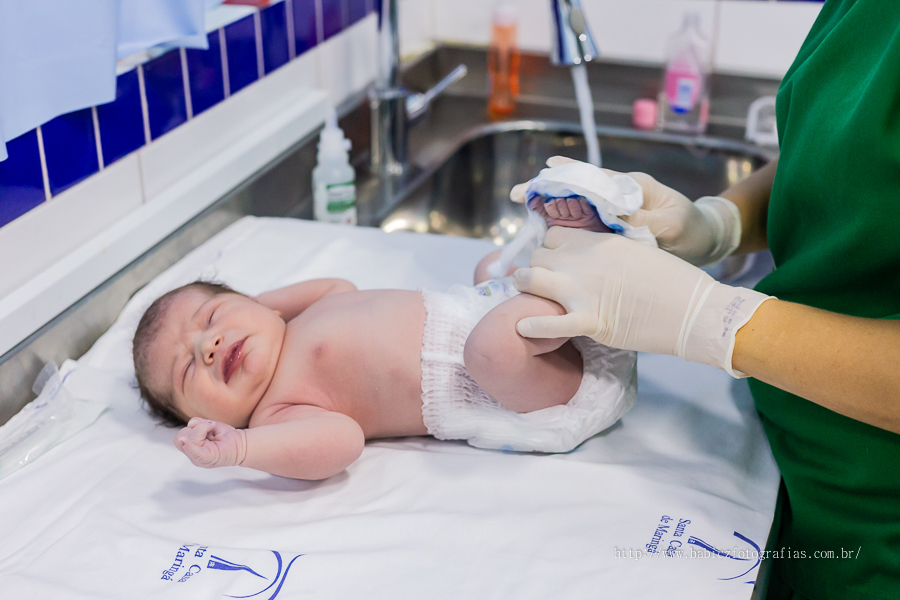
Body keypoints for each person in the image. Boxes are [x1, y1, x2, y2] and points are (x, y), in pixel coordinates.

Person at [509, 1, 900, 597]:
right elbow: (849, 148)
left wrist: (713, 321)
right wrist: (720, 223)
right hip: (784, 460)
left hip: (875, 530)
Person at [130, 206, 636, 481]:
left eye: (212, 317)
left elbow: (340, 286)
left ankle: (575, 273)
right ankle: (586, 280)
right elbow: (341, 443)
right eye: (187, 370)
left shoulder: (308, 312)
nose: (209, 346)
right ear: (203, 418)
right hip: (516, 386)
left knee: (491, 271)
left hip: (490, 315)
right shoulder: (276, 413)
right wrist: (241, 448)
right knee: (491, 348)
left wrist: (260, 307)